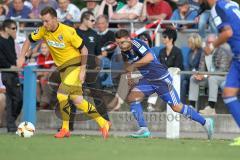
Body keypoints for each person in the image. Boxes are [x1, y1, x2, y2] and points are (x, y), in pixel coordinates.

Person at [17, 7, 111, 139]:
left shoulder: (68, 31)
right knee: (78, 100)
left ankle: (65, 129)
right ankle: (103, 122)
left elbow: (84, 50)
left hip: (75, 66)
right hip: (63, 69)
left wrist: (83, 70)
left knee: (62, 95)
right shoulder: (43, 30)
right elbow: (28, 40)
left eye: (47, 21)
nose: (44, 24)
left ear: (55, 19)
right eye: (43, 21)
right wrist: (22, 56)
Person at [115, 29, 214, 138]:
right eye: (118, 43)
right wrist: (129, 76)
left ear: (129, 39)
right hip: (148, 79)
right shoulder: (124, 50)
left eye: (122, 42)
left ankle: (206, 122)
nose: (121, 45)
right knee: (133, 98)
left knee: (176, 107)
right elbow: (127, 65)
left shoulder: (137, 44)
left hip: (161, 79)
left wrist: (134, 66)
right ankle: (143, 129)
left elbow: (150, 57)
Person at [202, 0, 240, 146]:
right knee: (228, 94)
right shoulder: (231, 3)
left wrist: (211, 46)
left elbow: (228, 32)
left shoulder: (216, 8)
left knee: (229, 94)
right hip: (237, 58)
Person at [188, 34, 232, 114]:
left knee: (212, 78)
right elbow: (201, 67)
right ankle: (192, 106)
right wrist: (200, 75)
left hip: (223, 77)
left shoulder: (223, 51)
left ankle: (211, 107)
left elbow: (222, 70)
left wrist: (207, 75)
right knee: (193, 78)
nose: (210, 44)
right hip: (209, 77)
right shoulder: (205, 52)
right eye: (208, 42)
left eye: (212, 42)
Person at [0, 19, 23, 132]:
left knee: (13, 99)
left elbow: (13, 56)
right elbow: (1, 58)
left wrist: (15, 65)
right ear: (6, 29)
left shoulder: (10, 40)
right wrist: (10, 66)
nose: (15, 31)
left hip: (13, 72)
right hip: (6, 72)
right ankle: (11, 122)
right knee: (17, 98)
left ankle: (11, 124)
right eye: (13, 28)